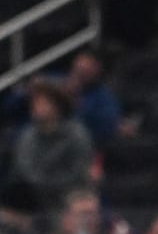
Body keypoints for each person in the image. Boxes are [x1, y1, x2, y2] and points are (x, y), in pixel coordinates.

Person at [10, 79, 95, 212]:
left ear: (57, 105)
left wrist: (55, 184)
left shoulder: (77, 134)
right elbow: (25, 168)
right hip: (35, 195)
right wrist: (41, 184)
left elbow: (78, 168)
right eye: (35, 103)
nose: (38, 108)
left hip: (70, 193)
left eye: (43, 103)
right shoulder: (27, 135)